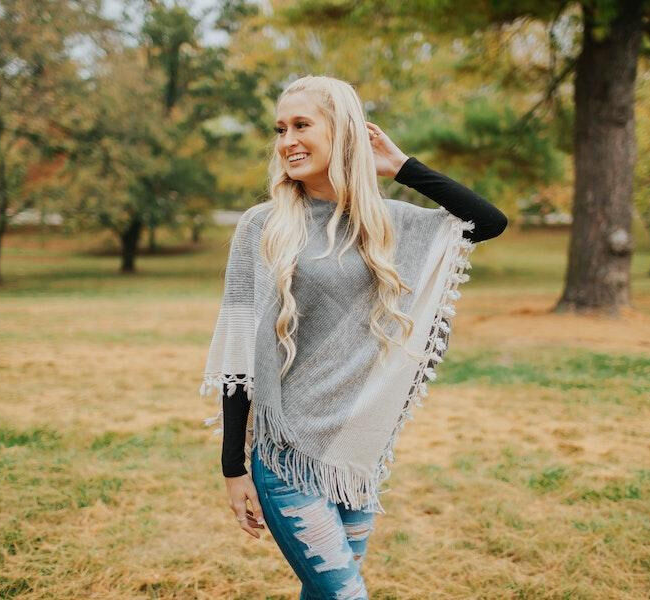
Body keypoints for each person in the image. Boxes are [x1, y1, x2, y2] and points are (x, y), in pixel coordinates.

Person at [200, 75, 507, 599]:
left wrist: (402, 166)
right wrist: (233, 466)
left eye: (302, 125)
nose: (287, 141)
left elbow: (488, 221)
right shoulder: (263, 226)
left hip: (356, 456)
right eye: (280, 129)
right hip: (284, 454)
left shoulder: (389, 223)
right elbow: (238, 352)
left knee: (325, 594)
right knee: (345, 594)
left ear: (341, 131)